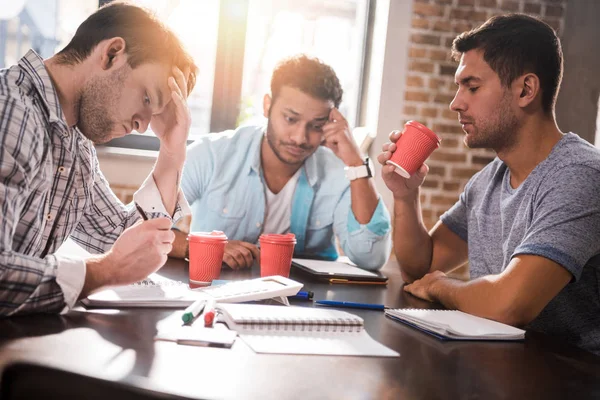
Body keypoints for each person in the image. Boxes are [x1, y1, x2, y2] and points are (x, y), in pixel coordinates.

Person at [378, 14, 600, 354]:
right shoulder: (489, 181)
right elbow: (421, 266)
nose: (456, 103)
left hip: (569, 379)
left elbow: (509, 305)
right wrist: (406, 196)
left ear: (525, 89)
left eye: (472, 86)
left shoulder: (580, 175)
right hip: (503, 368)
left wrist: (442, 287)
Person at [0, 2, 198, 315]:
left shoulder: (76, 143)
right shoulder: (11, 111)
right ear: (111, 54)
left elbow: (119, 238)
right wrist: (105, 272)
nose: (143, 125)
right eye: (147, 98)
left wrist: (172, 152)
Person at [171, 55, 391, 270]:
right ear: (267, 106)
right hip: (215, 292)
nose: (299, 138)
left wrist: (355, 162)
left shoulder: (343, 171)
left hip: (306, 302)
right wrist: (202, 247)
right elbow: (144, 225)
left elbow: (370, 258)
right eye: (290, 119)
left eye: (316, 125)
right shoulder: (211, 154)